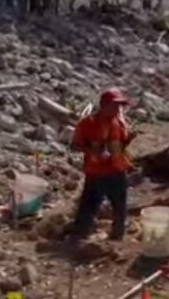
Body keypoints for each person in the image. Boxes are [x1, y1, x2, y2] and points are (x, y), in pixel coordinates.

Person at [69, 88, 137, 241]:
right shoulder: (87, 123)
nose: (117, 110)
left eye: (118, 106)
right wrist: (92, 149)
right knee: (88, 206)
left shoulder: (118, 123)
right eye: (114, 106)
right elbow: (74, 145)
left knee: (120, 207)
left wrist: (129, 139)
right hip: (96, 171)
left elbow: (120, 145)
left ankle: (117, 236)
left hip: (116, 169)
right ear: (103, 105)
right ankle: (79, 236)